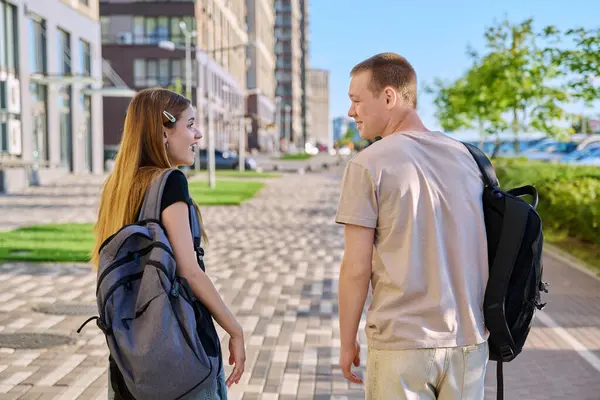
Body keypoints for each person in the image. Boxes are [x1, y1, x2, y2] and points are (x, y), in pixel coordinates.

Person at [335, 53, 490, 399]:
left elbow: (356, 268)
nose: (351, 112)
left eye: (356, 100)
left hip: (401, 345)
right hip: (469, 344)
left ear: (388, 97)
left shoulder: (368, 164)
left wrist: (348, 343)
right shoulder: (468, 158)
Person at [91, 87, 246, 399]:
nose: (198, 135)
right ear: (163, 132)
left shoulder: (119, 186)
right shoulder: (170, 182)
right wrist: (235, 329)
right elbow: (189, 272)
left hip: (130, 354)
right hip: (180, 348)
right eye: (189, 125)